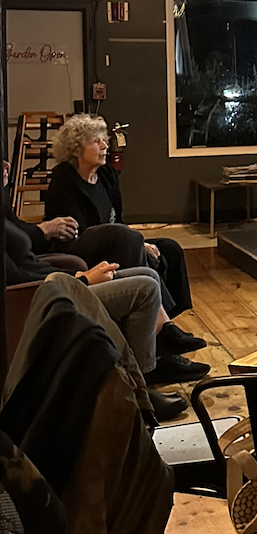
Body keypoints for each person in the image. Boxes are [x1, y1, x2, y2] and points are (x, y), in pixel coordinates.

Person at [3, 176, 204, 419]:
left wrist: (73, 270)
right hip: (48, 295)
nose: (6, 168)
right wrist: (82, 279)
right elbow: (15, 278)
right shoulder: (65, 183)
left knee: (147, 274)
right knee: (145, 289)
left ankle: (146, 367)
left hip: (59, 280)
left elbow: (30, 250)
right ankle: (141, 392)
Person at [43, 114, 198, 334]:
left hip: (117, 240)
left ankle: (164, 324)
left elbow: (119, 221)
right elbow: (79, 234)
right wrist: (135, 242)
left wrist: (137, 242)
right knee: (131, 242)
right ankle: (163, 331)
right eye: (96, 141)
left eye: (103, 139)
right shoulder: (63, 181)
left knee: (170, 248)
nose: (105, 146)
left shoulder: (106, 174)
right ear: (76, 149)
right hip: (80, 248)